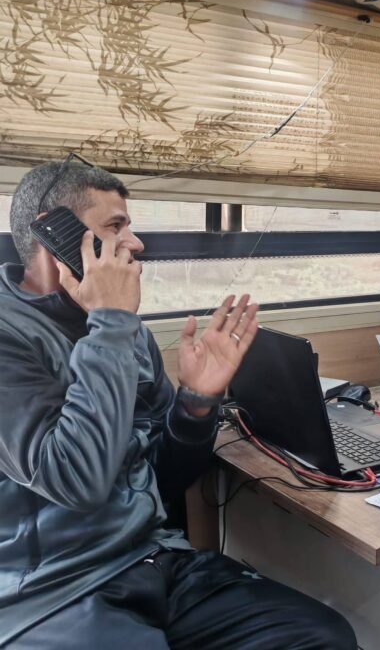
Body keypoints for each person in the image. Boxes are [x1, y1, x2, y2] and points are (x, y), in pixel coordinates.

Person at [0, 159, 357, 649]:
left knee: (323, 637)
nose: (135, 243)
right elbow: (76, 479)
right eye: (116, 227)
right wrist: (111, 321)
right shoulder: (21, 335)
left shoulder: (124, 332)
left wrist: (196, 403)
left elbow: (164, 479)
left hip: (154, 559)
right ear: (54, 233)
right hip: (58, 591)